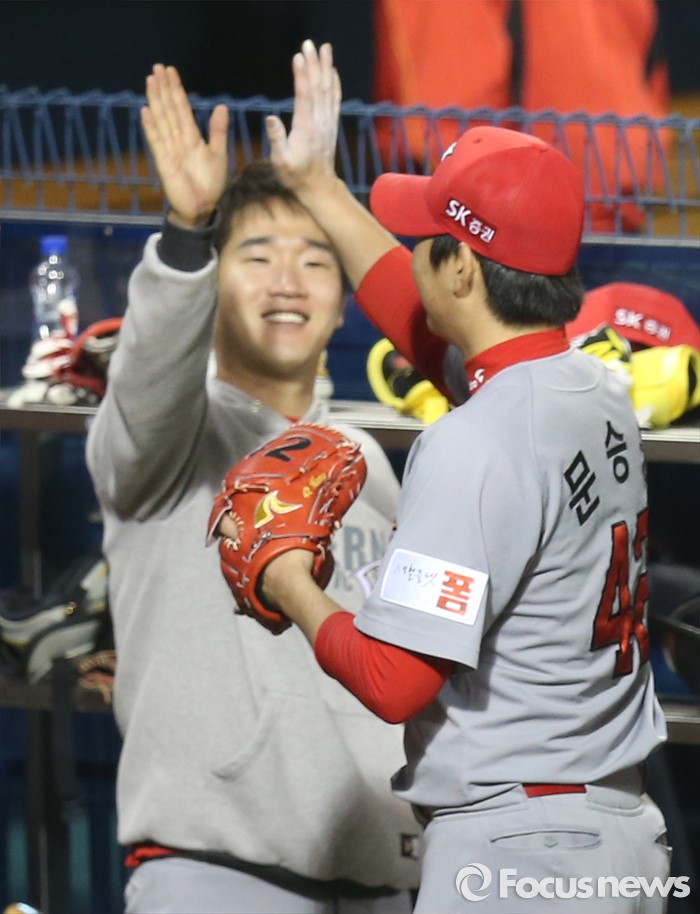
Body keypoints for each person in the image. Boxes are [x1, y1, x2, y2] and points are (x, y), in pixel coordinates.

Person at [219, 41, 672, 913]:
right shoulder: (594, 389)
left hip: (524, 861)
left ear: (462, 268)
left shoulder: (476, 443)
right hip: (610, 834)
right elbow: (435, 333)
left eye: (427, 240)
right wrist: (317, 185)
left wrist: (287, 578)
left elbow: (394, 681)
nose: (413, 250)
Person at [85, 63, 421, 914]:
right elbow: (149, 379)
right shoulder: (169, 441)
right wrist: (188, 234)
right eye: (257, 256)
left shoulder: (369, 461)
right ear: (212, 285)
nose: (287, 281)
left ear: (342, 304)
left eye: (315, 261)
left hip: (386, 879)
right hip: (218, 873)